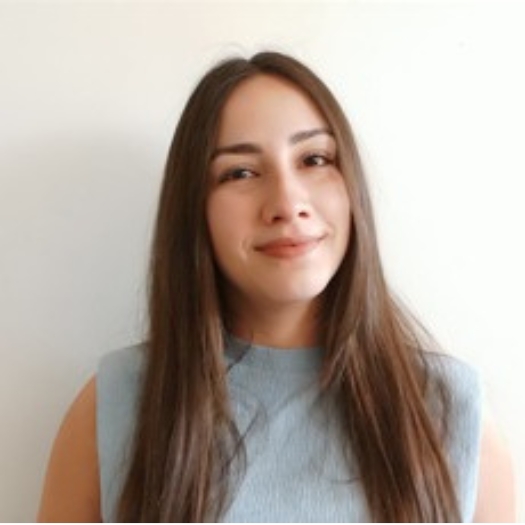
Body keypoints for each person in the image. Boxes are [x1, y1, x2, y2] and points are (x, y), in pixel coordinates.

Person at [37, 51, 515, 522]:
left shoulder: (454, 412)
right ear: (195, 208)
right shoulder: (115, 405)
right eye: (240, 172)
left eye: (314, 159)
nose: (287, 203)